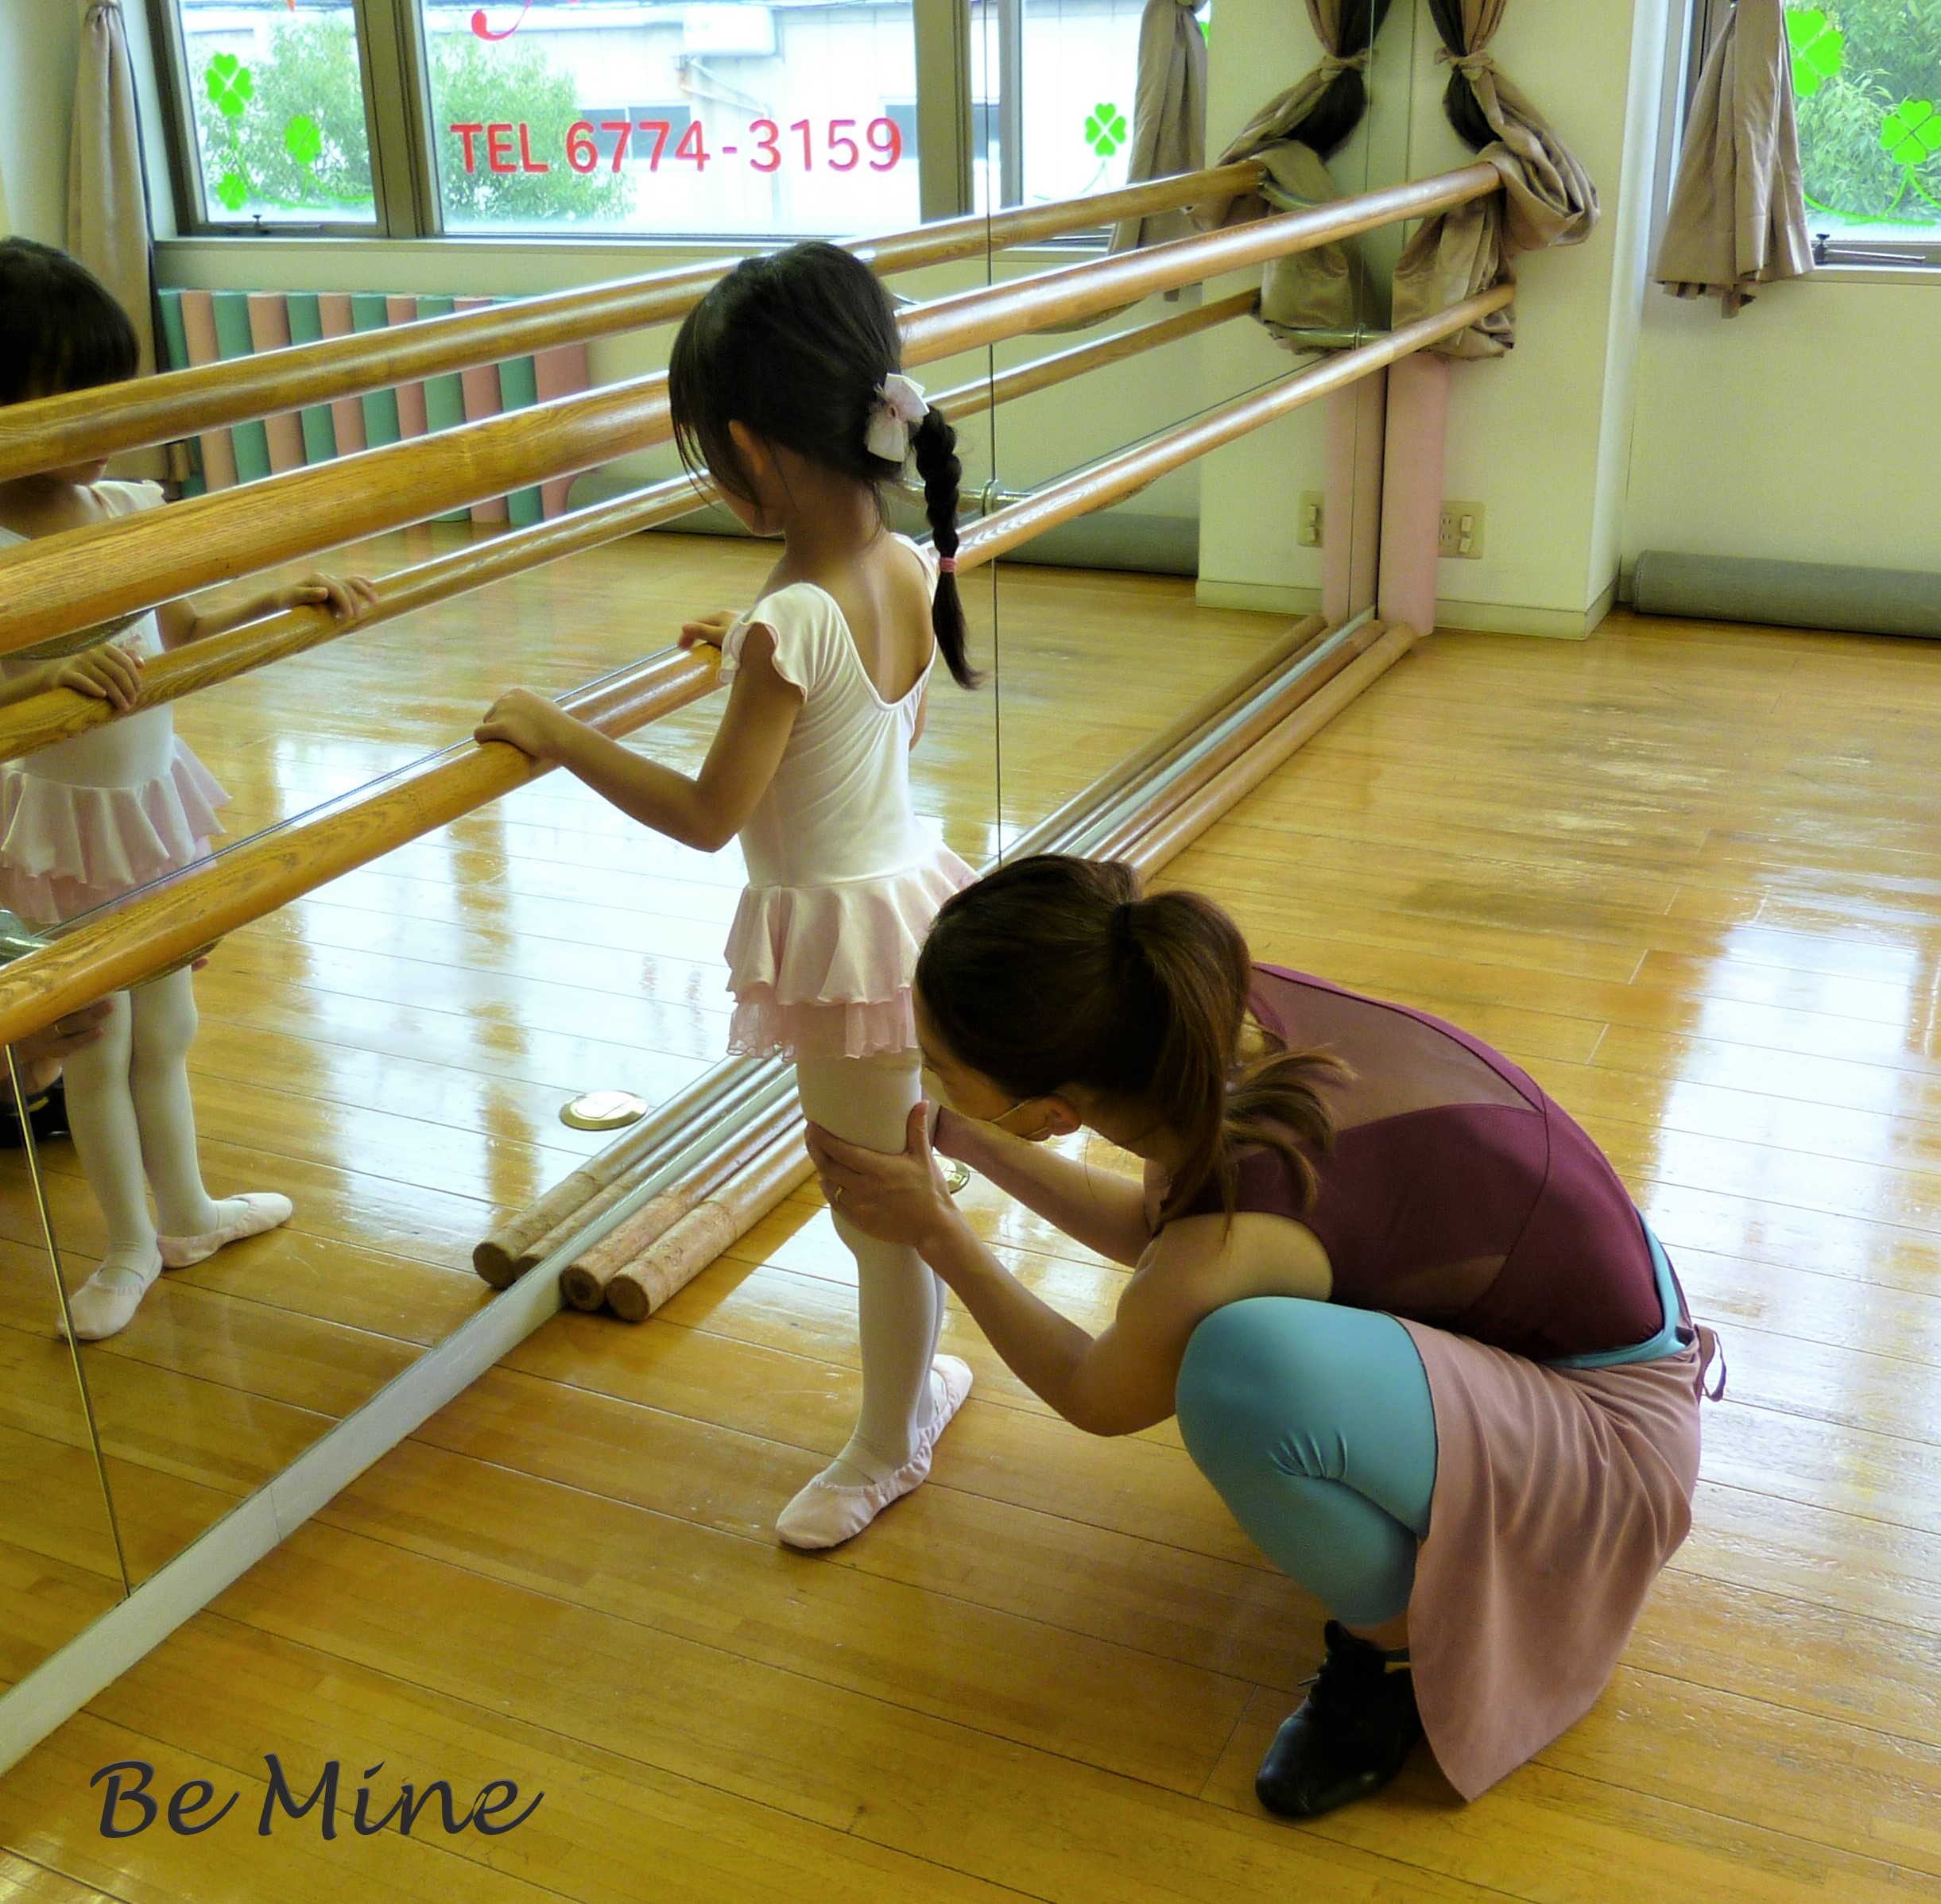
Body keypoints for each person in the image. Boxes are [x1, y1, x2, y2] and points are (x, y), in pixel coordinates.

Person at [804, 853, 1724, 1816]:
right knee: (1227, 1332)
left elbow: (1099, 1391)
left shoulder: (1237, 1204)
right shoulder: (1199, 1017)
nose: (925, 1072)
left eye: (941, 1065)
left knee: (1237, 1372)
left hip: (1611, 1440)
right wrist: (969, 1138)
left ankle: (1395, 1657)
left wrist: (939, 1233)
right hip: (1592, 1322)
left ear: (1054, 1112)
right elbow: (1170, 1235)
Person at [478, 241, 982, 1550]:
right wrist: (754, 658)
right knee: (895, 1184)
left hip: (840, 940)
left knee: (878, 1205)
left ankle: (889, 1442)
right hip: (902, 907)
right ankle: (917, 1392)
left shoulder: (789, 620)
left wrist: (561, 732)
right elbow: (877, 727)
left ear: (752, 448)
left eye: (710, 453)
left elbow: (709, 819)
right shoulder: (902, 565)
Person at [0, 238, 375, 1340]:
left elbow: (185, 626)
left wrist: (280, 600)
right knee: (99, 1041)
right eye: (67, 403)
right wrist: (41, 679)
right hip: (68, 827)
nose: (100, 428)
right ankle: (127, 1244)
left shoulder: (124, 506)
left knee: (169, 1026)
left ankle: (192, 1214)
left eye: (108, 400)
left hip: (154, 805)